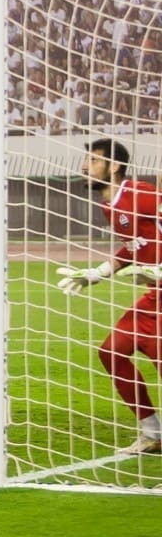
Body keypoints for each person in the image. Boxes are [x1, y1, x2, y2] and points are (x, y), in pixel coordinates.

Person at [56, 139, 162, 455]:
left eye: (93, 160)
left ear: (113, 166)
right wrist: (99, 273)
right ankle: (153, 432)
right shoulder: (109, 206)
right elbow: (134, 247)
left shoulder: (140, 193)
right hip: (154, 297)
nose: (85, 166)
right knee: (112, 352)